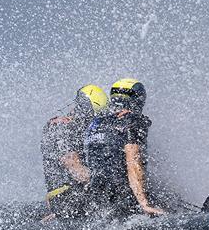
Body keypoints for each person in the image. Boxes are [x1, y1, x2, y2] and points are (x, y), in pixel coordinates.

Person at [84, 78, 165, 216]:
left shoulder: (95, 124)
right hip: (123, 197)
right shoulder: (133, 120)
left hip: (96, 197)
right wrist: (144, 204)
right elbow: (133, 162)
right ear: (138, 100)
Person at [41, 84, 108, 219]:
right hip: (66, 198)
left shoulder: (76, 128)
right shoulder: (61, 128)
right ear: (84, 110)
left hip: (78, 194)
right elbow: (75, 169)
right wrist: (108, 178)